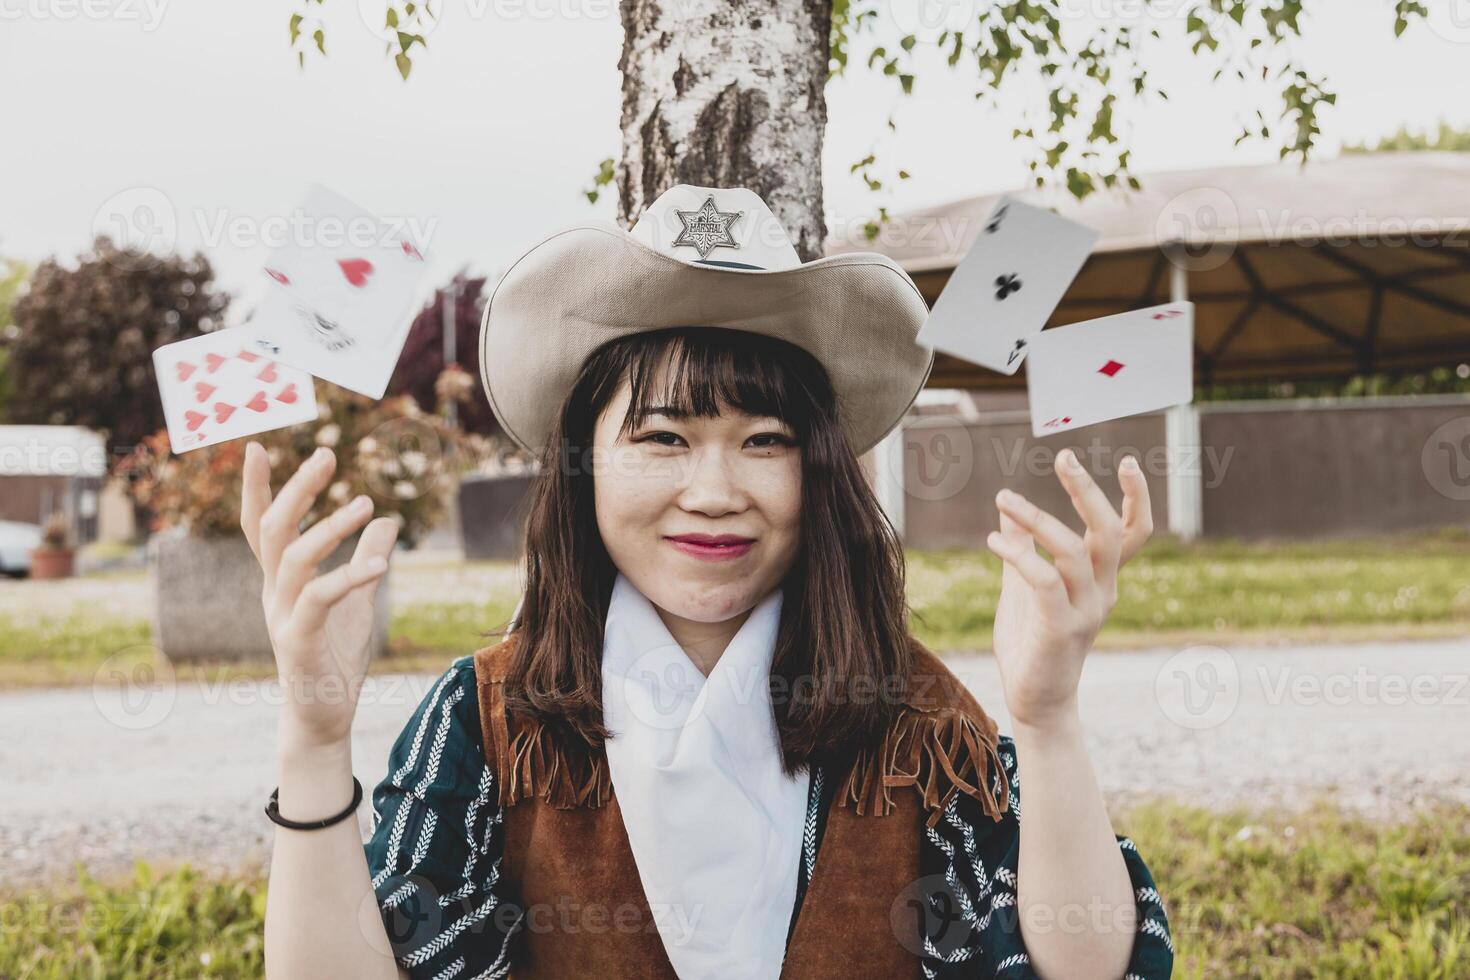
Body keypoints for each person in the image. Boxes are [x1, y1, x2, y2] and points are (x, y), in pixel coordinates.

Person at [249, 184, 1175, 979]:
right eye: (662, 438)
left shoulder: (919, 724)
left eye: (766, 442)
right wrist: (313, 735)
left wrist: (1048, 722)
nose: (716, 493)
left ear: (819, 473)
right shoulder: (485, 721)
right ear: (586, 465)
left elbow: (1081, 969)